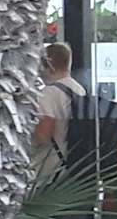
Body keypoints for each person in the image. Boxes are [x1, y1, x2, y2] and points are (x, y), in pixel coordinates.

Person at [31, 42, 92, 173]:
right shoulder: (79, 89)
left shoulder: (48, 93)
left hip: (50, 169)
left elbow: (43, 136)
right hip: (73, 165)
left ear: (47, 65)